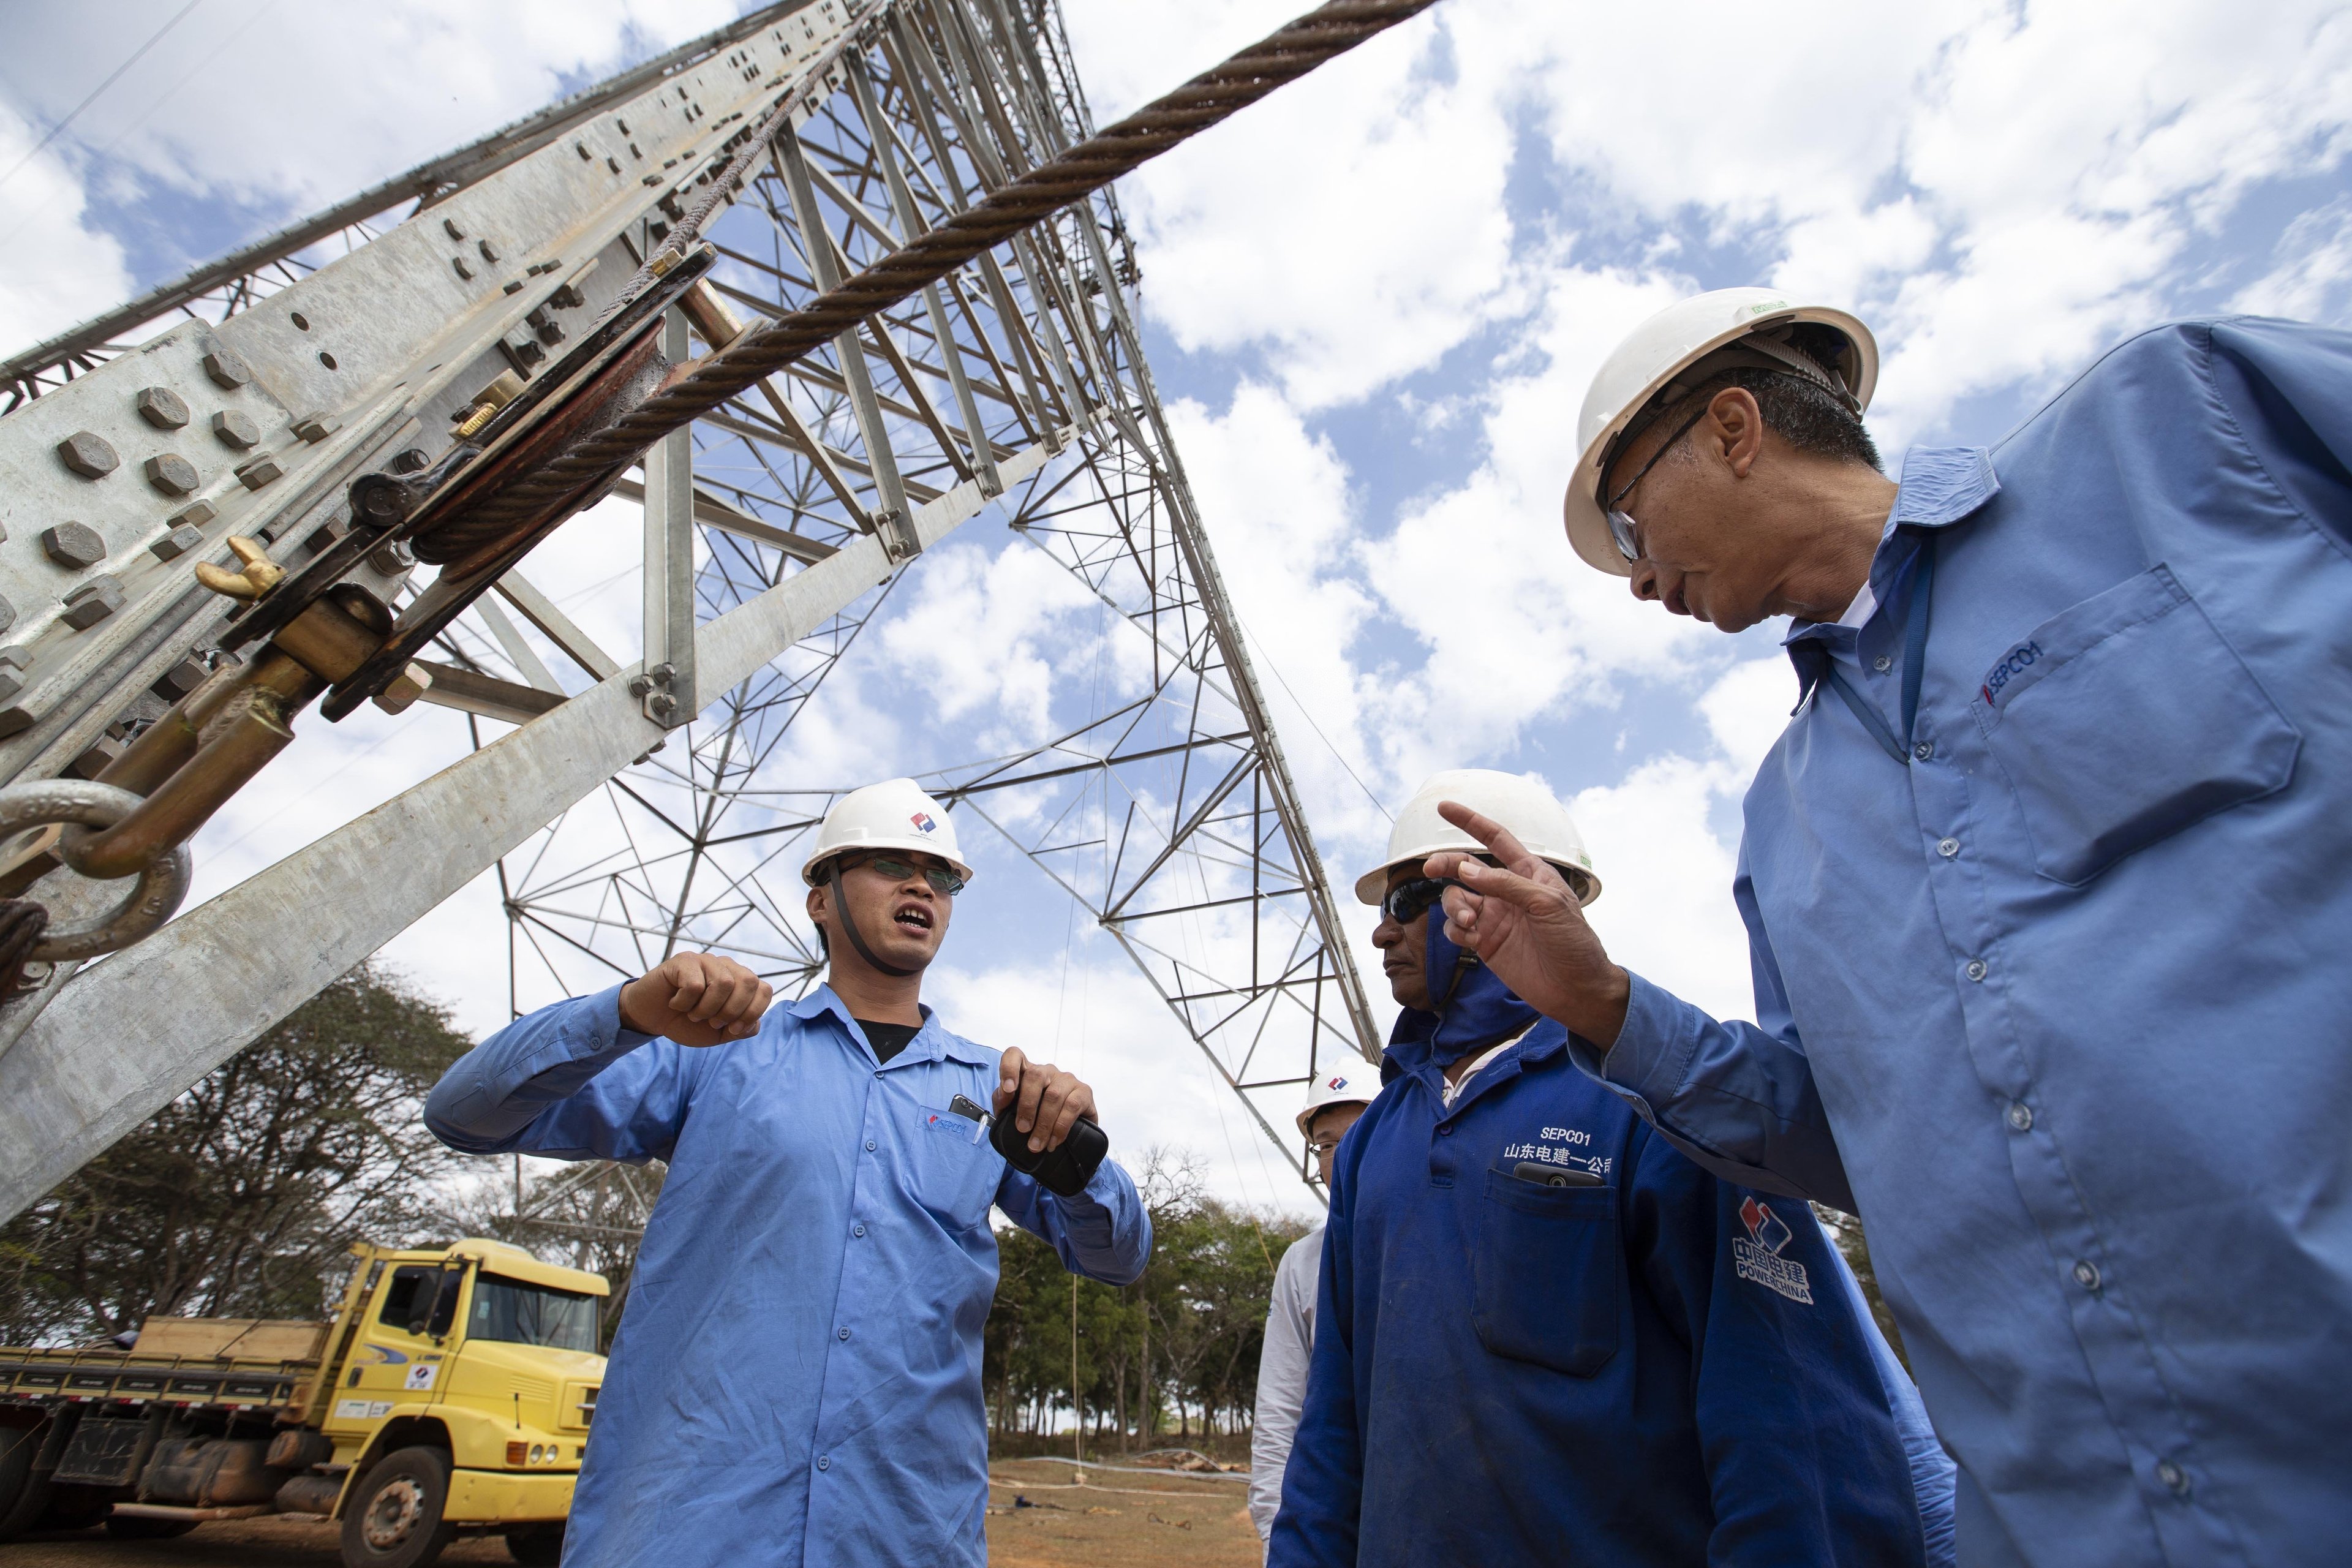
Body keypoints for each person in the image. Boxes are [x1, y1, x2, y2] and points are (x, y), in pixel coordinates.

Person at [1429, 291, 2352, 1566]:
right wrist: (1601, 1006)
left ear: (1737, 427)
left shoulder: (2180, 422)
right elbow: (1837, 1134)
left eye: (1634, 523)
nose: (1639, 578)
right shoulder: (1781, 822)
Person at [423, 778, 1152, 1568]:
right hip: (689, 1530)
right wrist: (627, 1012)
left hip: (903, 1535)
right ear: (820, 897)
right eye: (887, 864)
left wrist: (1079, 1158)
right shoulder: (714, 1048)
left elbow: (1119, 1259)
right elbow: (464, 1114)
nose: (921, 886)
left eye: (940, 876)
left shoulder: (998, 1093)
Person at [1269, 771, 1953, 1568]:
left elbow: (1787, 1429)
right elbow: (1332, 1428)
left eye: (1403, 903)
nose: (1381, 934)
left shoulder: (1652, 1099)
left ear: (1493, 892)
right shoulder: (1379, 1138)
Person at [1248, 1066, 1379, 1550]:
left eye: (1361, 1136)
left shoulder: (1442, 1241)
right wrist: (1274, 1536)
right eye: (1325, 1145)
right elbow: (1280, 1413)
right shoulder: (1302, 1265)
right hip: (1332, 1528)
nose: (1340, 1159)